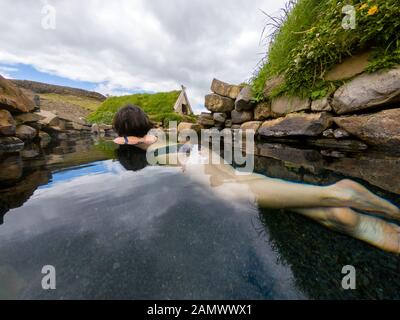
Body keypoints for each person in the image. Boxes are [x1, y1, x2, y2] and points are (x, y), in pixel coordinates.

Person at [113, 104, 400, 254]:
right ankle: (327, 211)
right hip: (198, 151)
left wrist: (124, 140)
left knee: (232, 191)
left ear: (127, 132)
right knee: (243, 178)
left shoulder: (140, 140)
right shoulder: (159, 133)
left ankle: (337, 193)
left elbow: (124, 141)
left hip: (188, 159)